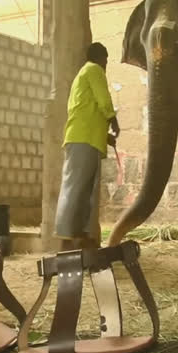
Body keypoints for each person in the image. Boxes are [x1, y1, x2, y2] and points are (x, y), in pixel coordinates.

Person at [54, 42, 119, 250]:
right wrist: (113, 118)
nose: (106, 65)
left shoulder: (83, 76)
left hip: (88, 139)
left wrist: (105, 136)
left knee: (85, 190)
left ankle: (82, 235)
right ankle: (65, 236)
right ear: (100, 58)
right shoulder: (93, 69)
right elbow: (103, 99)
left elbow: (89, 110)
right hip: (83, 139)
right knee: (75, 187)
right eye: (106, 61)